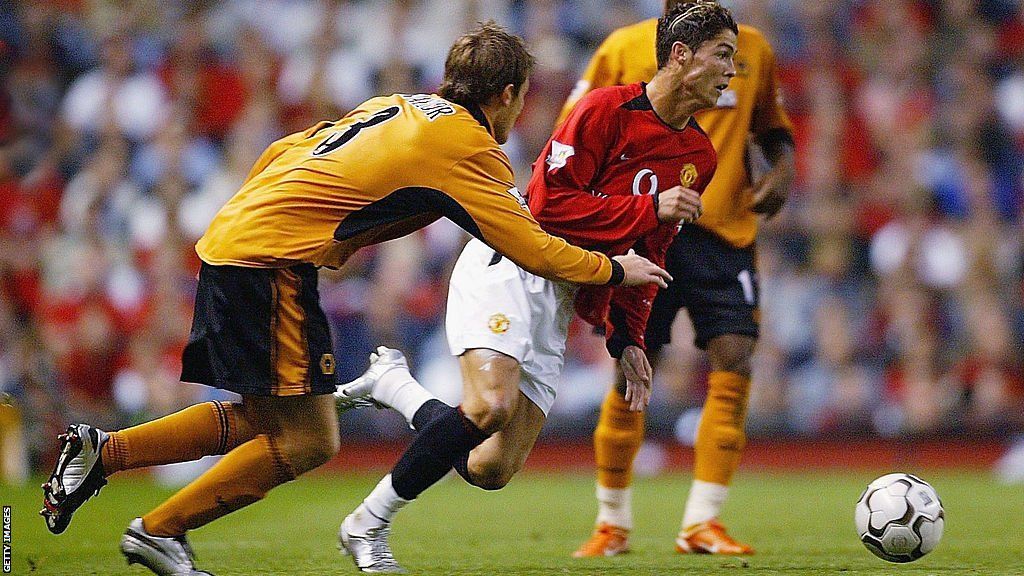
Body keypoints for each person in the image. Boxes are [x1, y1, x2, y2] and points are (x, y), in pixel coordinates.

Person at [38, 22, 671, 576]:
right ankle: (158, 530)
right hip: (270, 264)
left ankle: (107, 455)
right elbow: (532, 247)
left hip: (239, 243)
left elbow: (281, 151)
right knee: (308, 441)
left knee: (276, 423)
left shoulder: (398, 107)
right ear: (507, 95)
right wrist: (614, 269)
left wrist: (304, 225)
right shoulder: (469, 149)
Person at [334, 3, 737, 572]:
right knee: (489, 405)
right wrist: (647, 207)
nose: (732, 70)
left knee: (489, 468)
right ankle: (366, 524)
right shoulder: (604, 110)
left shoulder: (699, 156)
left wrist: (628, 339)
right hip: (516, 261)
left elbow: (651, 255)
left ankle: (396, 385)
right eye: (723, 54)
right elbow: (551, 206)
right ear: (681, 55)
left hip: (567, 295)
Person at [567, 1, 796, 559]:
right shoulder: (622, 48)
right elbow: (572, 133)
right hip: (646, 227)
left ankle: (702, 521)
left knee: (736, 356)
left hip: (724, 232)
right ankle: (611, 522)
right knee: (632, 362)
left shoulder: (752, 49)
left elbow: (772, 128)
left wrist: (783, 173)